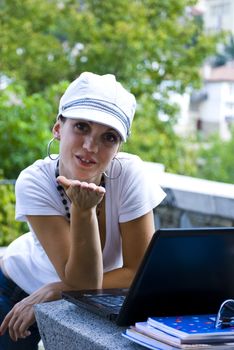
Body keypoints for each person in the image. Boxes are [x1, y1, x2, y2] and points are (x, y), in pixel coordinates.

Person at [0, 72, 166, 349]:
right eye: (81, 127)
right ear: (57, 129)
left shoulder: (131, 174)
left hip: (78, 296)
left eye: (109, 137)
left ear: (119, 146)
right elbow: (81, 284)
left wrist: (56, 289)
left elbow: (137, 270)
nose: (91, 147)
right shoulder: (34, 180)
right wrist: (83, 207)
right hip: (17, 291)